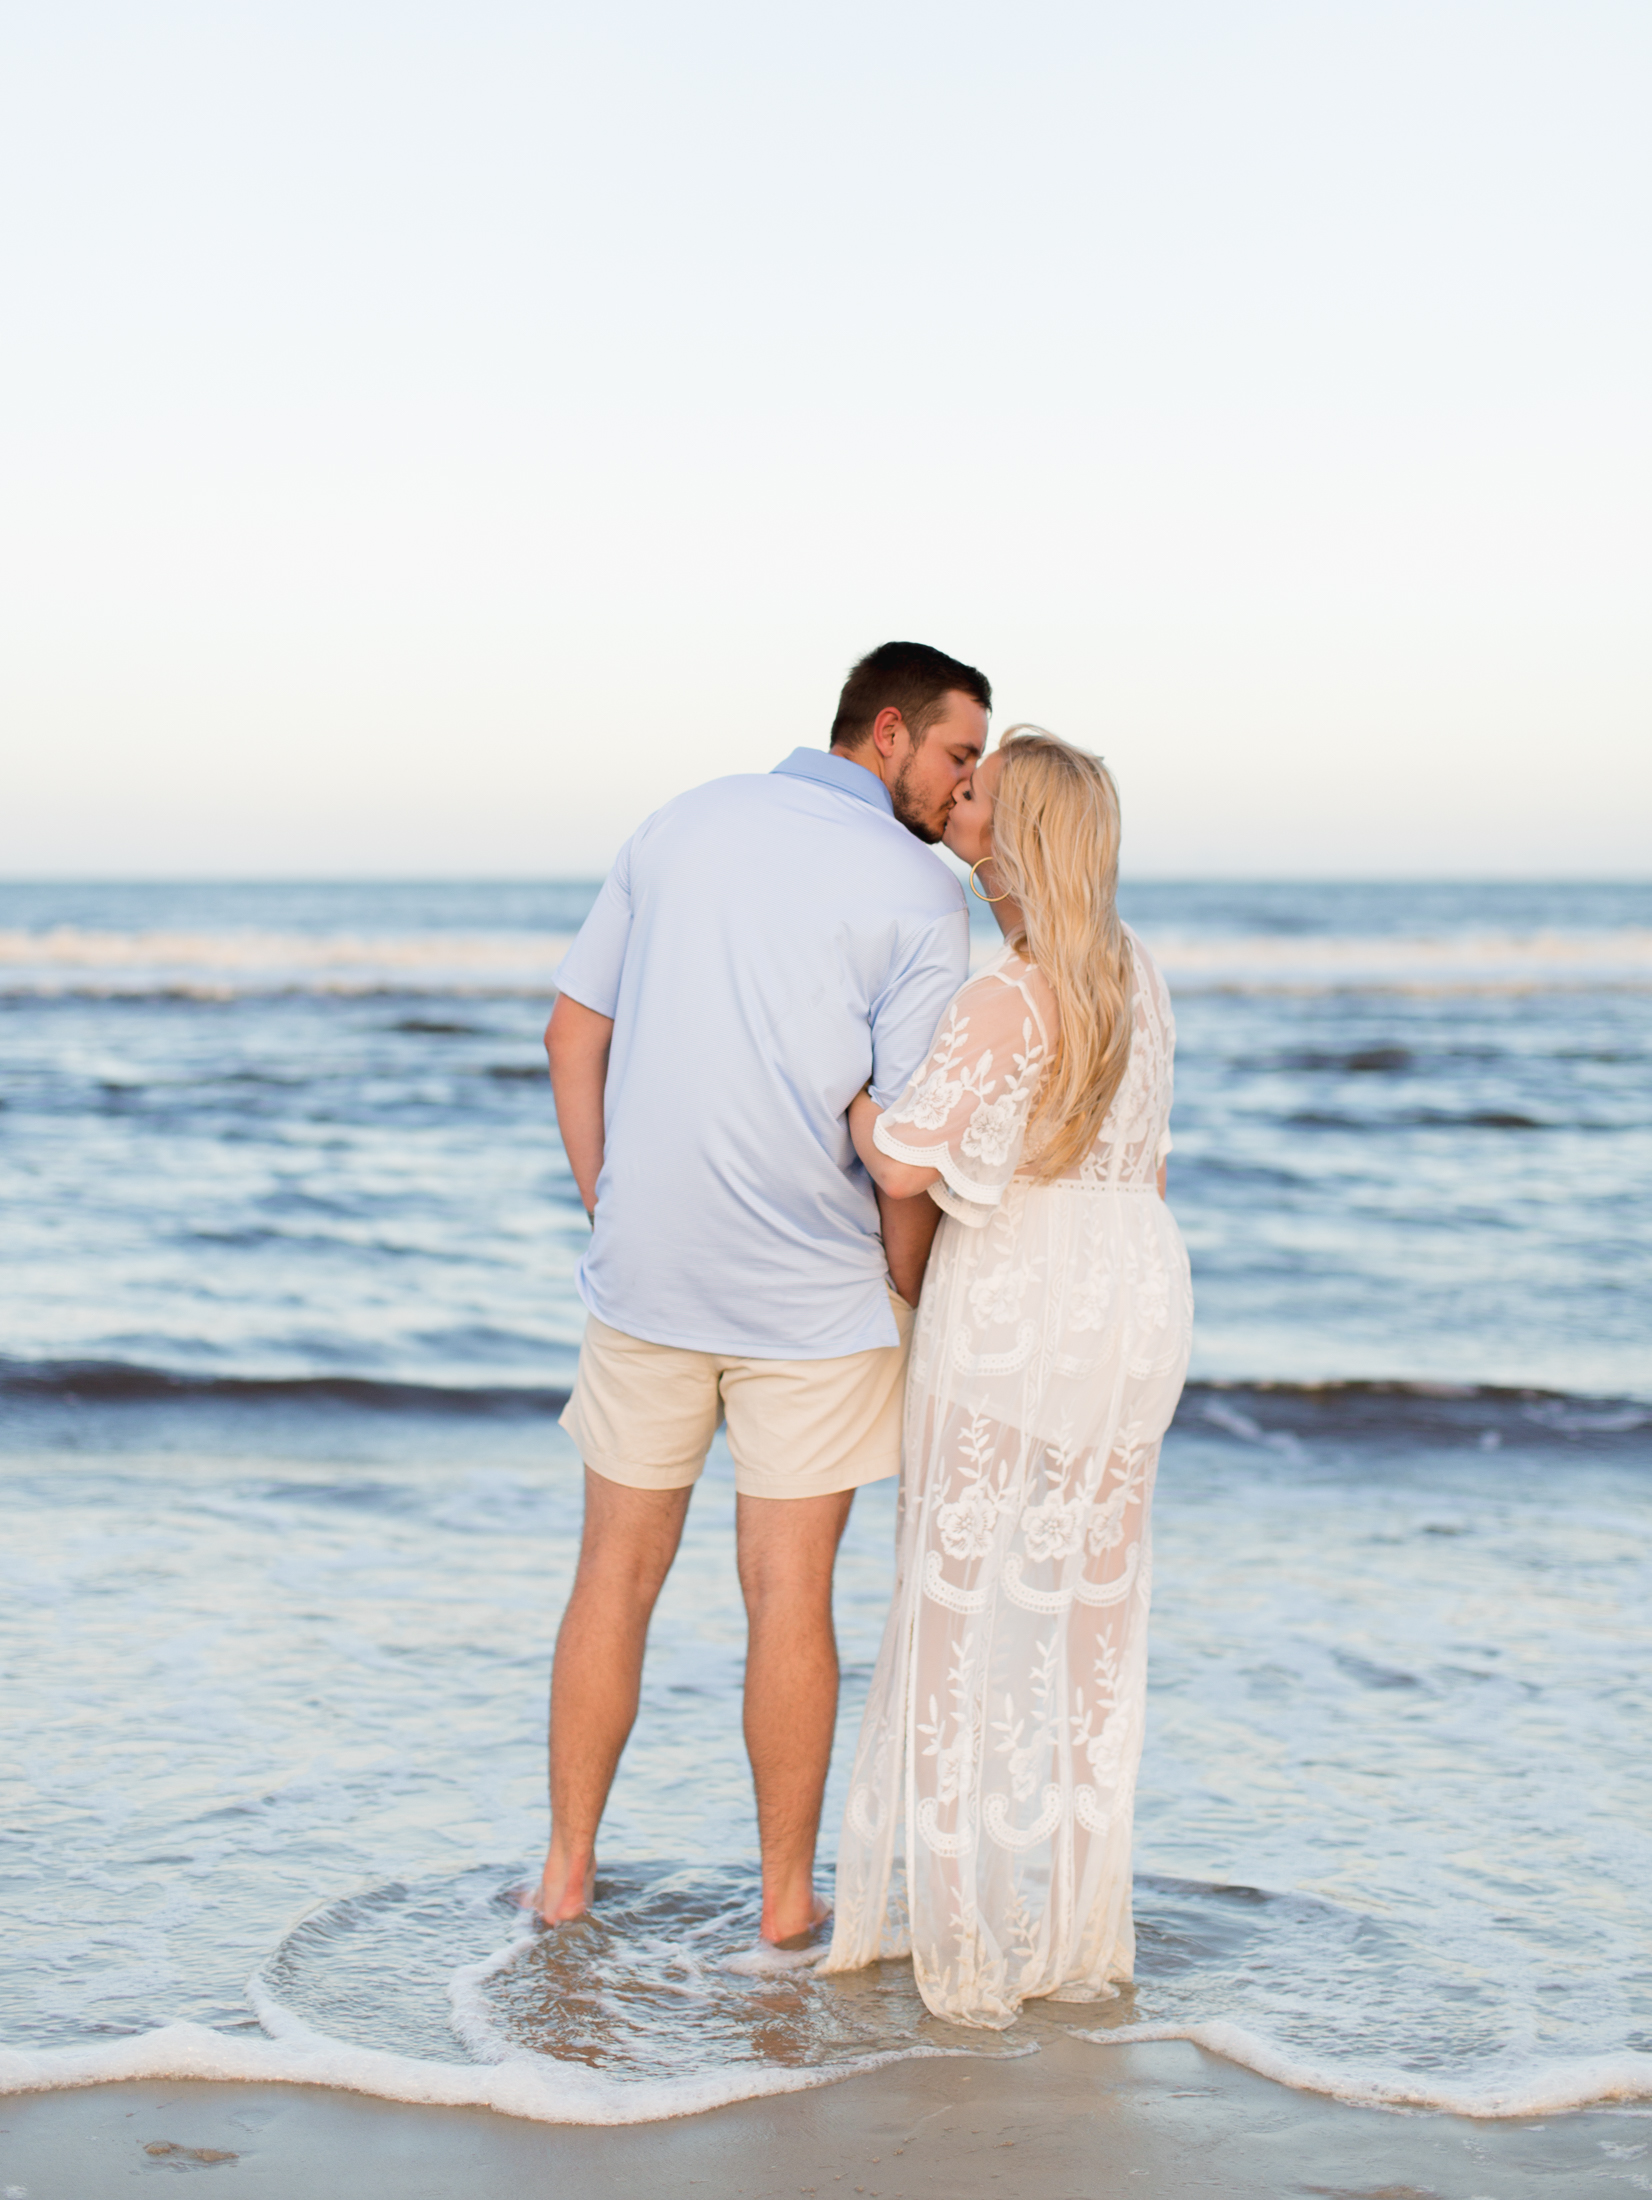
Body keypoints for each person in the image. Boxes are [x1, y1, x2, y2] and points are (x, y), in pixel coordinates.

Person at [532, 640, 991, 1947]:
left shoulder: (683, 820)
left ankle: (565, 1877)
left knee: (610, 1576)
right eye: (960, 757)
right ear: (891, 732)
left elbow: (573, 1035)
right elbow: (902, 1157)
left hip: (649, 1276)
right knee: (790, 1593)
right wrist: (916, 1301)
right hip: (814, 1294)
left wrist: (609, 1202)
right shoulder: (917, 893)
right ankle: (786, 1906)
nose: (966, 794)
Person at [820, 728, 1193, 2025]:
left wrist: (854, 1091)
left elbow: (908, 1164)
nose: (957, 801)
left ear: (1018, 835)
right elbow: (1146, 1165)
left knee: (958, 1600)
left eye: (980, 793)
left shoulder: (1006, 993)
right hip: (1136, 1292)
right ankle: (1079, 1932)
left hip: (1024, 1290)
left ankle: (965, 1940)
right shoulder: (1139, 974)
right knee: (1095, 1608)